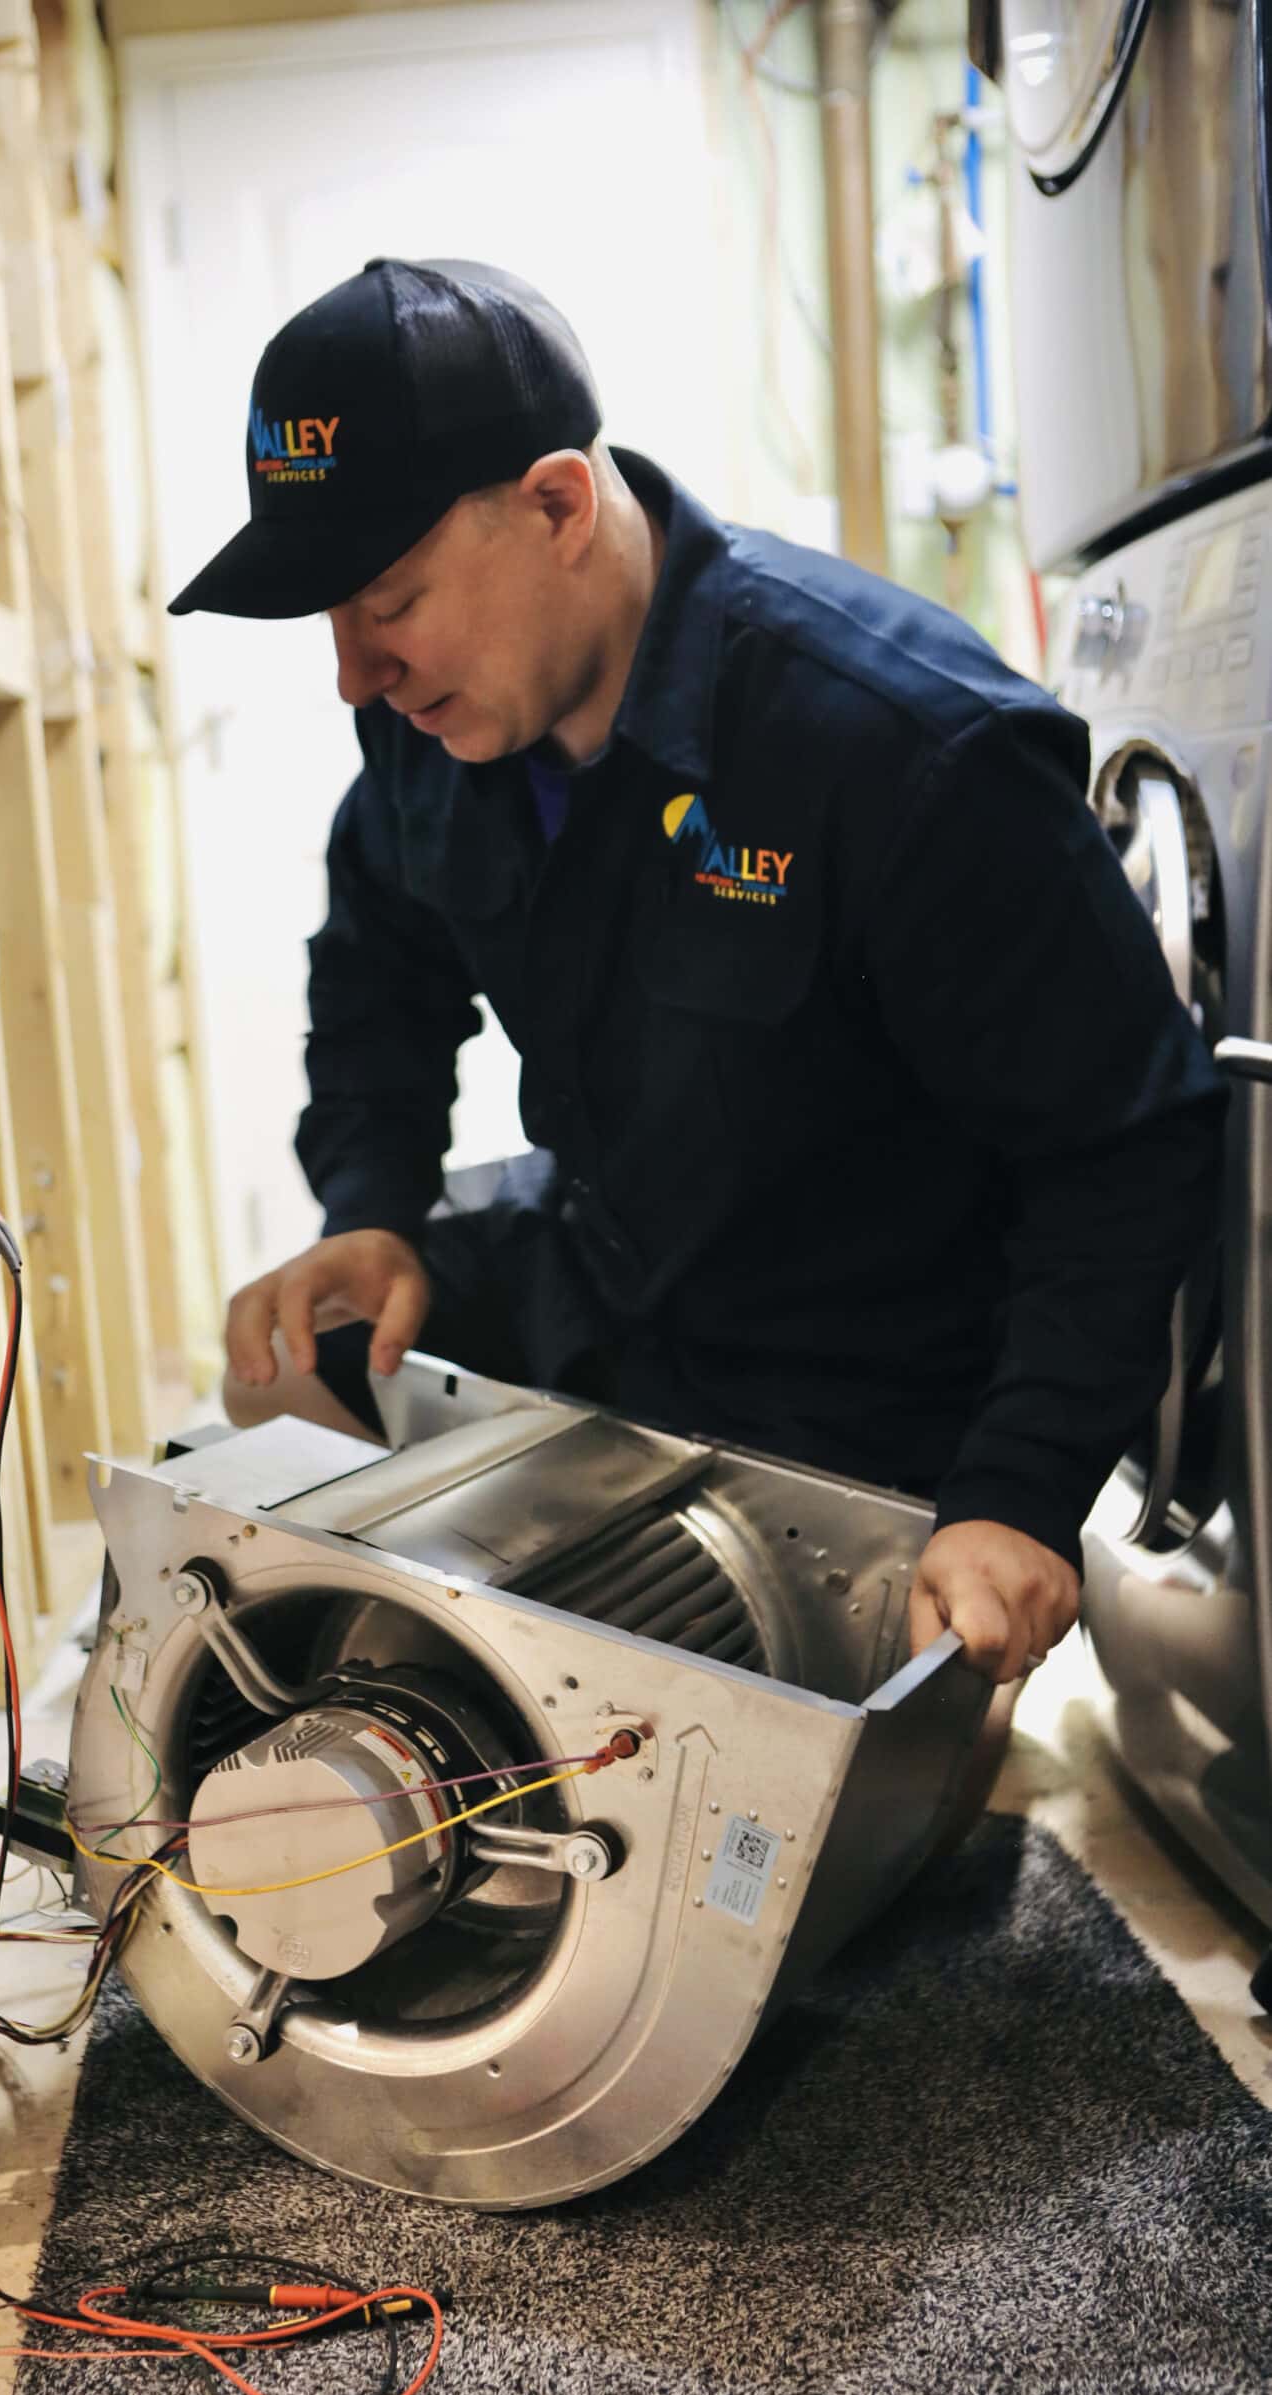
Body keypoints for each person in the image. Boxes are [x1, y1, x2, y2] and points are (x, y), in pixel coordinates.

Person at [168, 256, 1226, 1689]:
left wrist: (1018, 1491)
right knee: (280, 1362)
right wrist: (375, 1207)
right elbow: (378, 975)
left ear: (556, 507)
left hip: (864, 1381)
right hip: (617, 1286)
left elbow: (1128, 1139)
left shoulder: (898, 748)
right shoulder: (430, 730)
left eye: (390, 600)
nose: (356, 675)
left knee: (761, 1826)